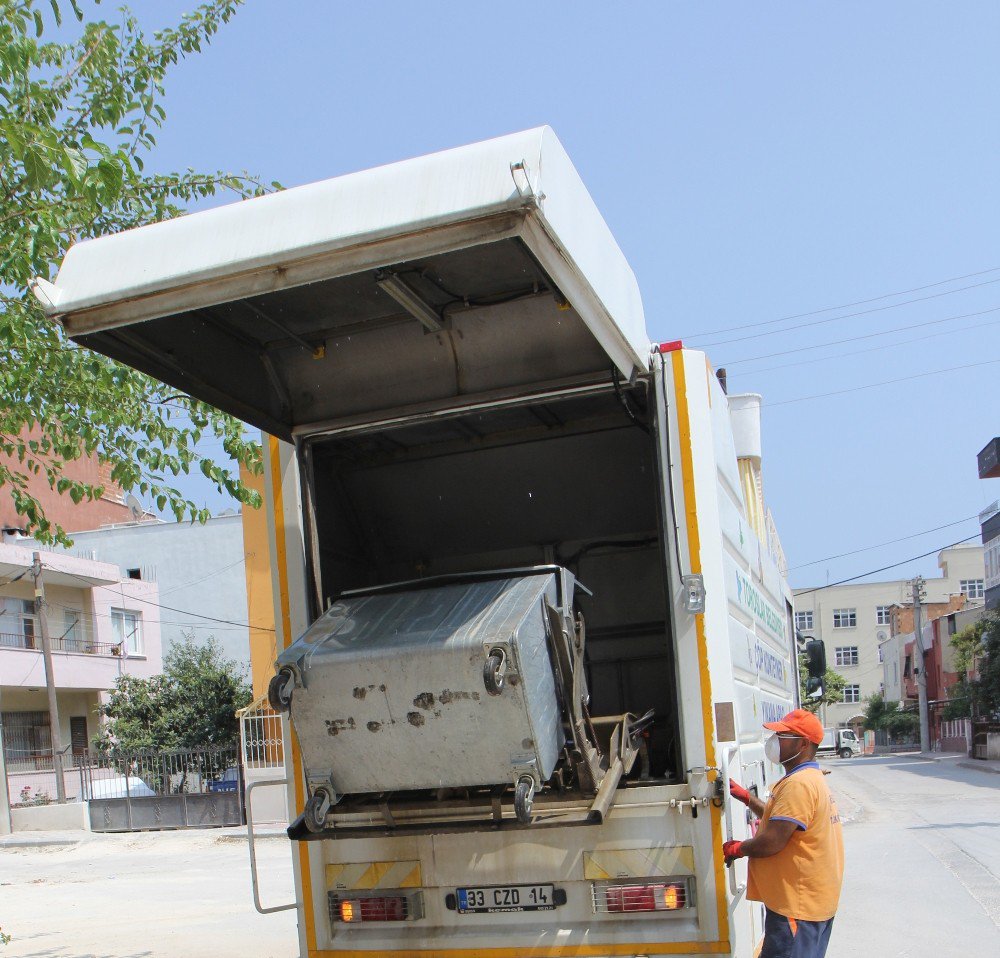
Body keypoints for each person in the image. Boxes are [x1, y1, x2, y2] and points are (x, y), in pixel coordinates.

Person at [723, 708, 844, 958]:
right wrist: (747, 798)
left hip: (797, 907)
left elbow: (773, 841)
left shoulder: (798, 785)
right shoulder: (810, 778)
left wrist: (739, 849)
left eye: (782, 735)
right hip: (810, 904)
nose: (774, 741)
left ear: (803, 743)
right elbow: (779, 819)